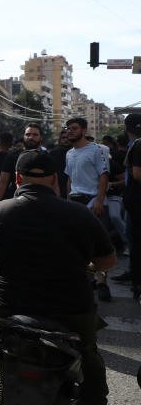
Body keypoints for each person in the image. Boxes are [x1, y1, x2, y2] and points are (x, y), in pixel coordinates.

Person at [0, 150, 116, 405]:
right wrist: (89, 269)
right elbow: (108, 260)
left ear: (18, 179)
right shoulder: (79, 214)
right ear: (54, 179)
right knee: (88, 351)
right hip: (69, 309)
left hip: (6, 305)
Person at [64, 117, 114, 302]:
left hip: (94, 202)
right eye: (68, 128)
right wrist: (67, 201)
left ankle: (102, 282)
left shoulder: (96, 150)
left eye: (74, 128)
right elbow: (70, 179)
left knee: (99, 245)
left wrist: (100, 201)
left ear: (84, 131)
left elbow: (104, 176)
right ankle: (89, 279)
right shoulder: (69, 153)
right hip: (76, 203)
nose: (70, 131)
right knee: (80, 245)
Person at [119, 114, 141, 299]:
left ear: (126, 128)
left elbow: (137, 174)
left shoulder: (138, 145)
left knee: (134, 242)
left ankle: (137, 281)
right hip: (133, 202)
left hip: (136, 203)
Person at [0, 123, 44, 201]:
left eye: (35, 135)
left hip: (41, 200)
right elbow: (3, 181)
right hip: (17, 200)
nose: (31, 137)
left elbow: (54, 185)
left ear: (41, 137)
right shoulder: (13, 156)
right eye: (28, 134)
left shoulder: (46, 157)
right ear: (24, 137)